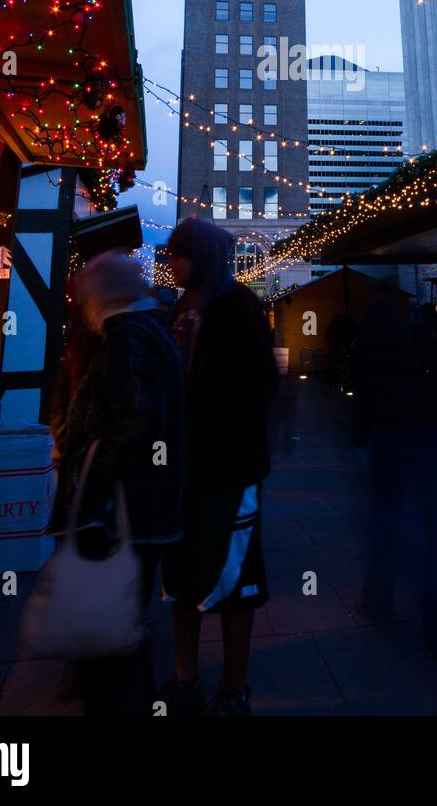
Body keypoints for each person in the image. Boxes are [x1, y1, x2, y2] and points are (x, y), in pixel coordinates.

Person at [49, 250, 184, 716]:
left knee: (111, 628)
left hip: (122, 511)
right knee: (124, 623)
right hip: (140, 508)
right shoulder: (150, 330)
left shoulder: (128, 336)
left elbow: (136, 422)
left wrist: (92, 481)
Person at [160, 216, 278, 716]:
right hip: (184, 473)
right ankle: (185, 679)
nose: (169, 262)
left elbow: (259, 386)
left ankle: (234, 686)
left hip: (228, 469)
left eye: (176, 253)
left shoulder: (238, 307)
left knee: (235, 577)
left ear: (200, 256)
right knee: (182, 579)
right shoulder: (182, 305)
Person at [351, 299, 437, 661]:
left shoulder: (370, 340)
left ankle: (379, 599)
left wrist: (359, 438)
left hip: (391, 435)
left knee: (385, 522)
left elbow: (363, 394)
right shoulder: (422, 335)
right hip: (432, 434)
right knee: (436, 533)